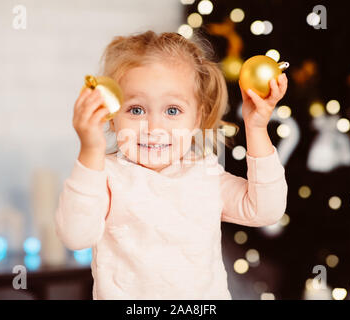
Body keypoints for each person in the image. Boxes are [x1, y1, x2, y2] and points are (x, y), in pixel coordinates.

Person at [55, 30, 288, 299]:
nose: (154, 128)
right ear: (111, 116)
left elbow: (266, 210)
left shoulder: (206, 175)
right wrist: (90, 151)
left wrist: (256, 127)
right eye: (136, 110)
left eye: (172, 110)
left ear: (197, 118)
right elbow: (75, 236)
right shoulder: (105, 175)